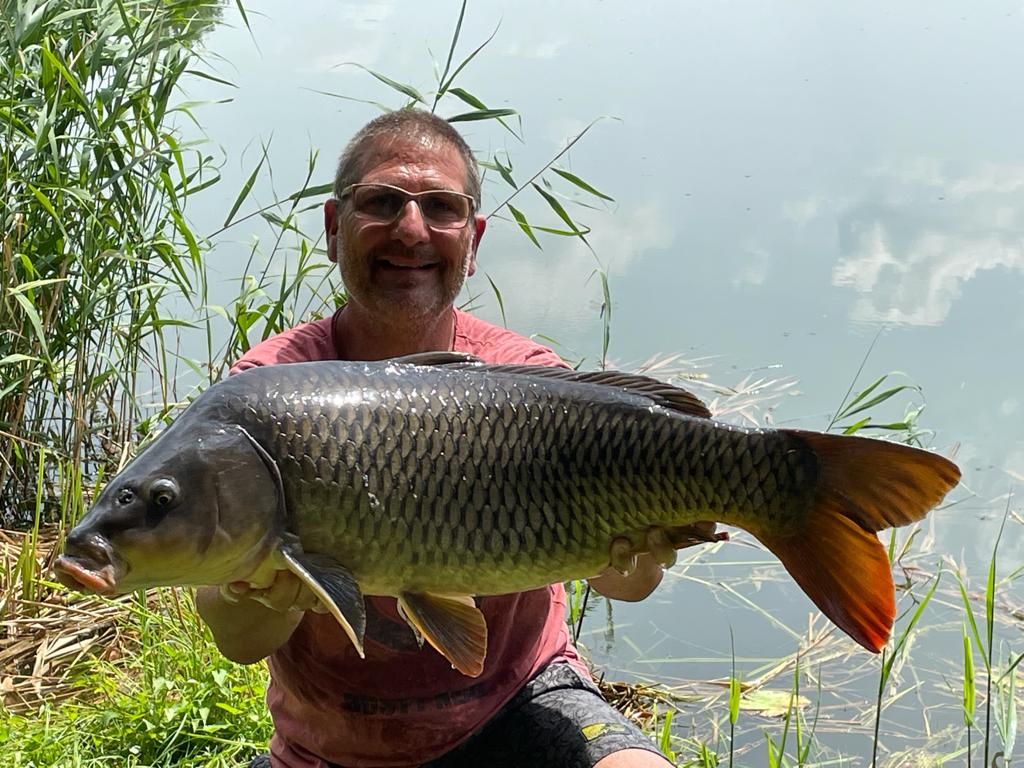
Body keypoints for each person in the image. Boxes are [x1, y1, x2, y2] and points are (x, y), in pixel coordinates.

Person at [196, 109, 684, 768]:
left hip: (522, 701)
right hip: (335, 746)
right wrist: (259, 594)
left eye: (442, 208)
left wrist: (637, 555)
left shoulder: (529, 382)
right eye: (382, 202)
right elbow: (236, 638)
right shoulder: (271, 391)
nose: (411, 228)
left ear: (474, 239)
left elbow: (631, 586)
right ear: (334, 229)